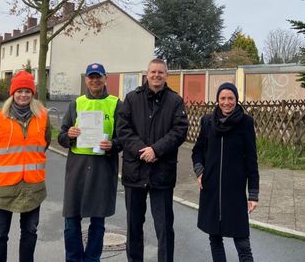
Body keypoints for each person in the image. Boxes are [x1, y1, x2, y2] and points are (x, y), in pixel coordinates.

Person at [117, 58, 189, 262]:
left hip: (162, 173)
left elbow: (180, 130)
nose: (156, 75)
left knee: (164, 227)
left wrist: (156, 150)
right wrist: (143, 150)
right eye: (153, 72)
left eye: (161, 72)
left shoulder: (175, 101)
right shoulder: (131, 99)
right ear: (146, 74)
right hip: (135, 172)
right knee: (133, 227)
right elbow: (123, 129)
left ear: (167, 75)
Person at [0, 70, 51, 262]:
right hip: (3, 188)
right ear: (13, 93)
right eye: (19, 91)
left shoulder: (42, 117)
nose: (23, 95)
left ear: (32, 93)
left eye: (27, 91)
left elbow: (45, 144)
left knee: (30, 232)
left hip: (33, 188)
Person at [58, 63, 122, 262]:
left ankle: (92, 259)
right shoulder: (75, 104)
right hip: (77, 169)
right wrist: (69, 135)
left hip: (102, 170)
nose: (95, 80)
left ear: (105, 78)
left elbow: (125, 138)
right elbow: (61, 136)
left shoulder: (116, 104)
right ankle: (74, 258)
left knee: (98, 222)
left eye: (98, 77)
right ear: (86, 79)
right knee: (71, 221)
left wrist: (113, 144)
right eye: (91, 77)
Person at [191, 82, 259, 262]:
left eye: (230, 98)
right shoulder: (207, 121)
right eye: (223, 98)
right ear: (217, 100)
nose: (226, 102)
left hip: (235, 192)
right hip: (211, 190)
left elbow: (252, 160)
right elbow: (197, 151)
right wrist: (199, 171)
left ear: (236, 100)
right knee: (214, 239)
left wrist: (253, 193)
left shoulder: (246, 122)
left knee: (242, 242)